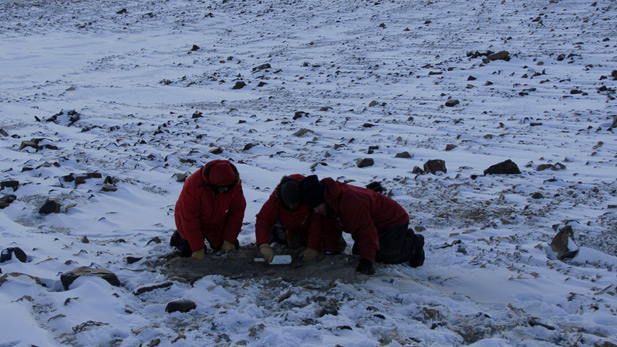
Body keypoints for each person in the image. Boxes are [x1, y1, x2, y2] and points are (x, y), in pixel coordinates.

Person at [298, 175, 424, 275]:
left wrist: (367, 260)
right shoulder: (329, 204)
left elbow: (365, 230)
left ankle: (414, 243)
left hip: (393, 220)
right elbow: (331, 229)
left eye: (317, 207)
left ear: (323, 200)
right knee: (358, 251)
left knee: (382, 256)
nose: (316, 211)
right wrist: (331, 250)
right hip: (373, 223)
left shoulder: (348, 202)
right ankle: (398, 238)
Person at [255, 175, 344, 263]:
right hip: (293, 229)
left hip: (313, 228)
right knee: (294, 246)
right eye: (288, 204)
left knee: (330, 246)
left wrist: (313, 247)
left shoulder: (309, 194)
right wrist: (264, 245)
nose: (291, 207)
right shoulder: (276, 198)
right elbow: (264, 220)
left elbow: (317, 222)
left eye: (294, 203)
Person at [171, 160, 246, 259]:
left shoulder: (234, 182)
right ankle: (178, 237)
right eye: (222, 188)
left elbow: (237, 212)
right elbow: (189, 218)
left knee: (229, 247)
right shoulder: (193, 185)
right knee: (190, 251)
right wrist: (197, 248)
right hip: (188, 220)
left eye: (228, 188)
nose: (225, 191)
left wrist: (229, 239)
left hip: (216, 219)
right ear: (212, 185)